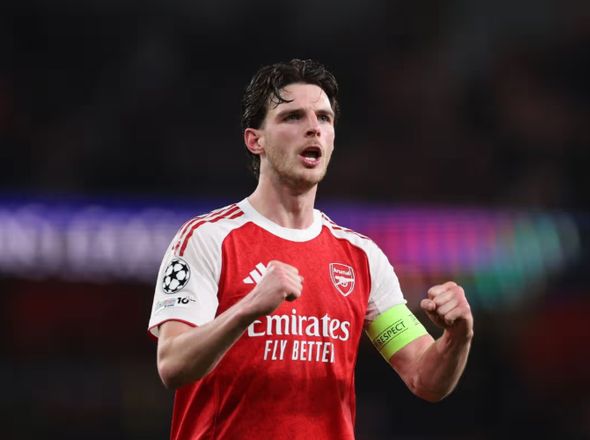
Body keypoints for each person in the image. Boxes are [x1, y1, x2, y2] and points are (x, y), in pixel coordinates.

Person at [148, 58, 473, 440]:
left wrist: (458, 337)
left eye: (324, 118)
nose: (313, 127)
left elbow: (425, 378)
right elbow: (172, 364)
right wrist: (249, 308)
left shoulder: (360, 257)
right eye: (292, 117)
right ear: (255, 140)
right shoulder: (207, 238)